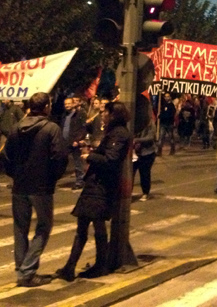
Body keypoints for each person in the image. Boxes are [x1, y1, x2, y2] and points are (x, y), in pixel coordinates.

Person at [56, 102, 131, 281]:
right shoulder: (113, 132)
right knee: (83, 226)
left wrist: (89, 156)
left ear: (114, 114)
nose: (102, 114)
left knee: (97, 226)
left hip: (102, 186)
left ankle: (99, 265)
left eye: (105, 112)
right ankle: (71, 267)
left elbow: (112, 159)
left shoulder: (120, 133)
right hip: (94, 184)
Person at [2, 93, 67, 287]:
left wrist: (16, 175)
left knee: (20, 229)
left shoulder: (16, 128)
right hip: (40, 187)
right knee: (44, 227)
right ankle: (27, 271)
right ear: (46, 107)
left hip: (20, 186)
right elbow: (60, 157)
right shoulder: (51, 128)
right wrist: (51, 178)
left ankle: (22, 270)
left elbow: (6, 157)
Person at [60, 97, 88, 190]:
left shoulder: (79, 114)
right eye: (65, 104)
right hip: (65, 142)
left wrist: (77, 140)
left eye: (69, 103)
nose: (67, 105)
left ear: (73, 104)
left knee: (77, 163)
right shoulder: (64, 115)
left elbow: (83, 128)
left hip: (75, 142)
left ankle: (80, 181)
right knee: (61, 160)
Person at [133, 120, 157, 201]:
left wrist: (137, 140)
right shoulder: (135, 123)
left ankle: (145, 193)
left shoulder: (150, 124)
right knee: (130, 173)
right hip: (135, 153)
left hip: (147, 153)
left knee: (144, 173)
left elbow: (150, 137)